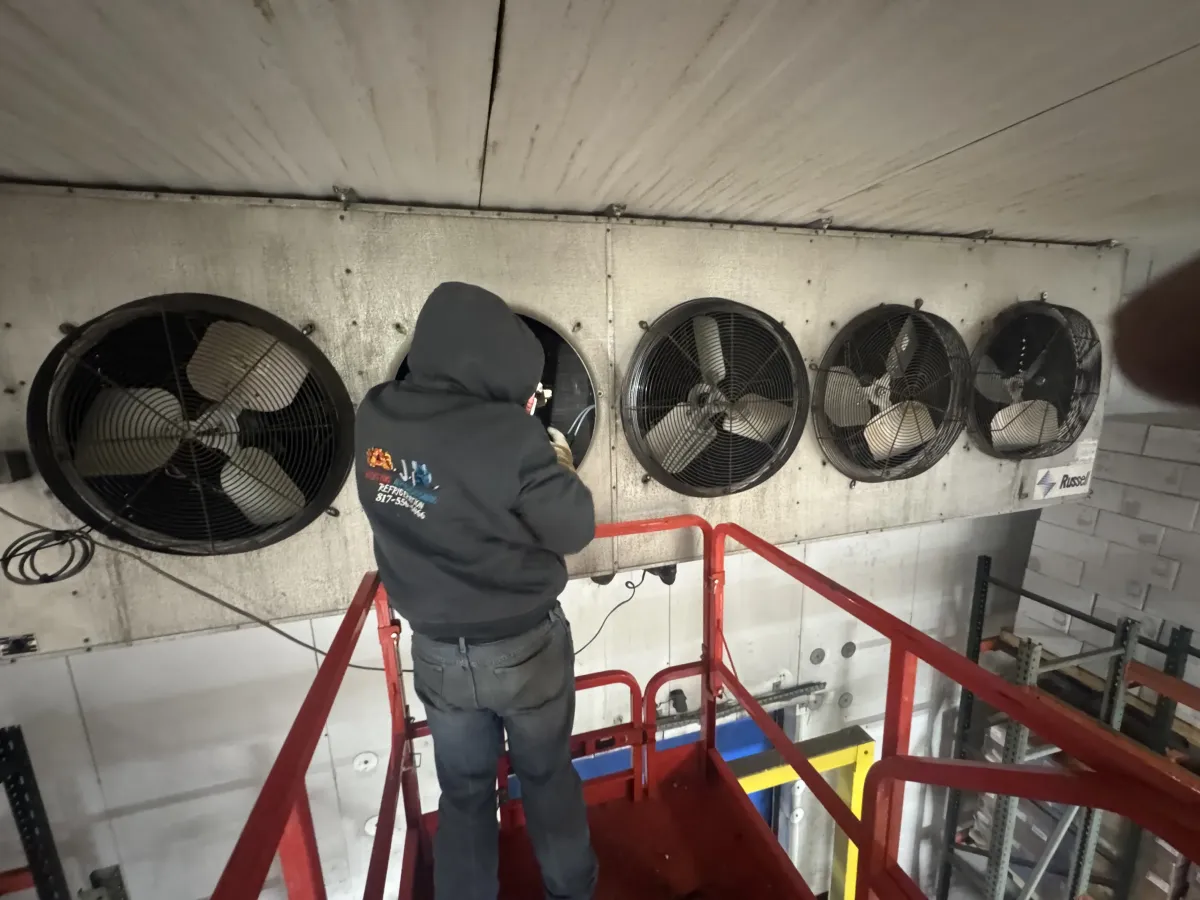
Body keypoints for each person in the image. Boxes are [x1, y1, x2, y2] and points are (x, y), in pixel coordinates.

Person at [354, 282, 598, 900]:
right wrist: (553, 457)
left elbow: (444, 491)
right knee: (545, 778)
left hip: (437, 651)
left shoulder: (376, 412)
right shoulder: (509, 437)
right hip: (523, 648)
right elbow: (574, 527)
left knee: (462, 793)